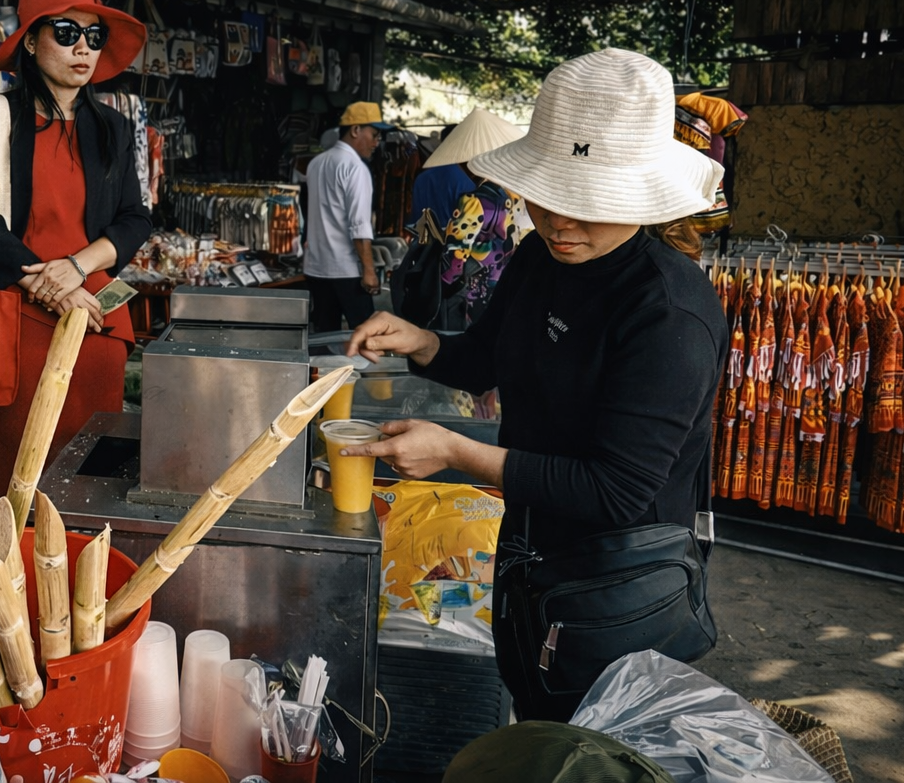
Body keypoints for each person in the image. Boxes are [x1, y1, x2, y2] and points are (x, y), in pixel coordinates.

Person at [344, 49, 728, 721]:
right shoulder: (537, 258)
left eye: (590, 203)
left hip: (619, 591)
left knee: (583, 746)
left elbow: (616, 491)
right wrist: (421, 339)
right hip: (530, 559)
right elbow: (487, 358)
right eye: (551, 194)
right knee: (530, 716)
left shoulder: (668, 312)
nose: (560, 220)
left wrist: (458, 454)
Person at [0, 0, 151, 510]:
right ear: (32, 40)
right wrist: (47, 282)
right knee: (23, 465)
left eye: (93, 35)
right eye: (66, 32)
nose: (82, 47)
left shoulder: (112, 126)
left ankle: (88, 579)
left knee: (97, 464)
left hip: (96, 315)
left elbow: (135, 220)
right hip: (22, 314)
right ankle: (13, 580)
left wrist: (76, 268)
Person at [420, 108, 528, 329]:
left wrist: (442, 289)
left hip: (470, 295)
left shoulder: (474, 201)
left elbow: (456, 253)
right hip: (502, 288)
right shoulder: (516, 197)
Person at [303, 102, 392, 332]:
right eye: (373, 134)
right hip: (346, 270)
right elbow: (359, 224)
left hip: (316, 267)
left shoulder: (316, 163)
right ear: (355, 130)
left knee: (323, 337)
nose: (376, 142)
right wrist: (369, 271)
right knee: (367, 338)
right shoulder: (355, 168)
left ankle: (322, 370)